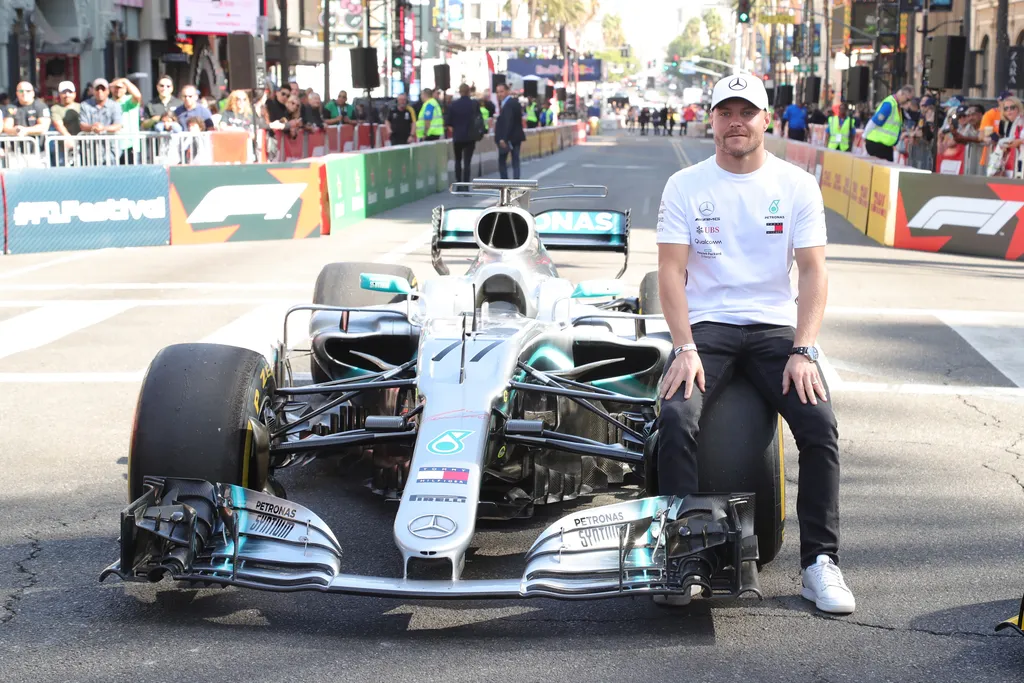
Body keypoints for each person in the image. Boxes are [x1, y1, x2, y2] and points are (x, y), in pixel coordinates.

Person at [654, 74, 854, 615]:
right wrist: (684, 346)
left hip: (772, 330)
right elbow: (670, 273)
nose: (735, 122)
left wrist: (804, 348)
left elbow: (814, 272)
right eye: (726, 112)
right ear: (711, 120)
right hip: (708, 330)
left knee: (819, 424)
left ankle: (819, 563)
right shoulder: (685, 185)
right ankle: (683, 555)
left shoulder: (796, 185)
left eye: (747, 112)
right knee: (674, 417)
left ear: (767, 120)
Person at [864, 85, 914, 161]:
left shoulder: (897, 106)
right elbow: (874, 121)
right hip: (877, 144)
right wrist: (864, 135)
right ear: (902, 94)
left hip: (884, 146)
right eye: (907, 99)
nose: (908, 102)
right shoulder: (890, 104)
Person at [446, 83, 482, 182]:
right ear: (469, 91)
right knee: (467, 162)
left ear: (460, 91)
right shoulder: (474, 104)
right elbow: (479, 119)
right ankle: (466, 185)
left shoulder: (453, 105)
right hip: (470, 136)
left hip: (458, 136)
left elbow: (448, 123)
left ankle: (459, 183)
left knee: (458, 160)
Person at [493, 82, 525, 180]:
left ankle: (506, 184)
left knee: (503, 161)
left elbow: (509, 122)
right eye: (498, 92)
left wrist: (504, 138)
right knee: (515, 161)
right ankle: (515, 182)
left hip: (509, 138)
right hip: (515, 137)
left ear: (507, 91)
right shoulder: (512, 102)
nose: (499, 94)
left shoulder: (509, 104)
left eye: (502, 91)